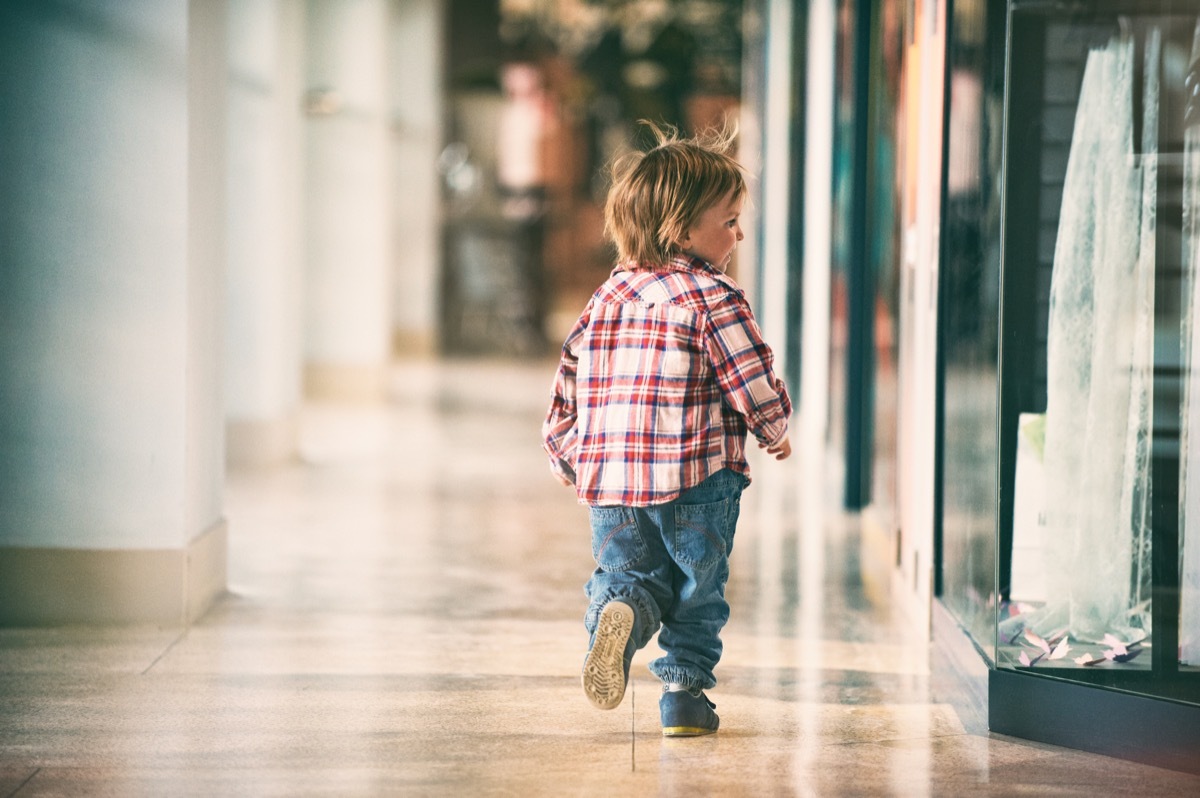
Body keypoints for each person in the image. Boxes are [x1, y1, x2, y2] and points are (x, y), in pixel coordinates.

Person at [541, 121, 792, 737]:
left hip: (612, 485)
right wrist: (773, 424)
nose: (737, 233)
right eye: (729, 220)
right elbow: (750, 375)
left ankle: (617, 614)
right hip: (698, 481)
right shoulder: (714, 296)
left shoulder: (608, 296)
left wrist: (569, 453)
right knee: (696, 589)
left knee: (629, 572)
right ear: (682, 228)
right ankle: (682, 698)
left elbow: (568, 381)